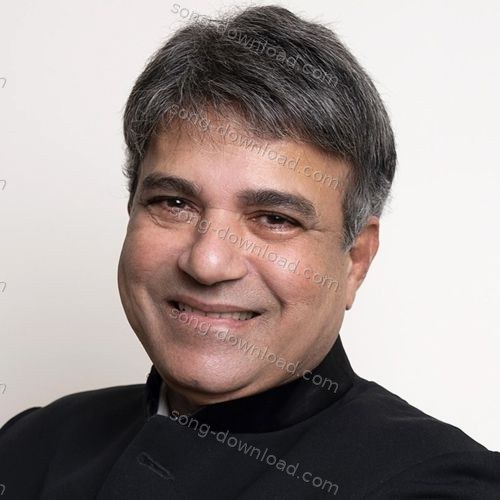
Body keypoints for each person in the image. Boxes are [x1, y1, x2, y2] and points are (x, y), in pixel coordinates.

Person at [1, 5, 499, 499]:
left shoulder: (438, 485)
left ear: (356, 261)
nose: (207, 263)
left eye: (275, 219)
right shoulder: (31, 445)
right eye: (174, 203)